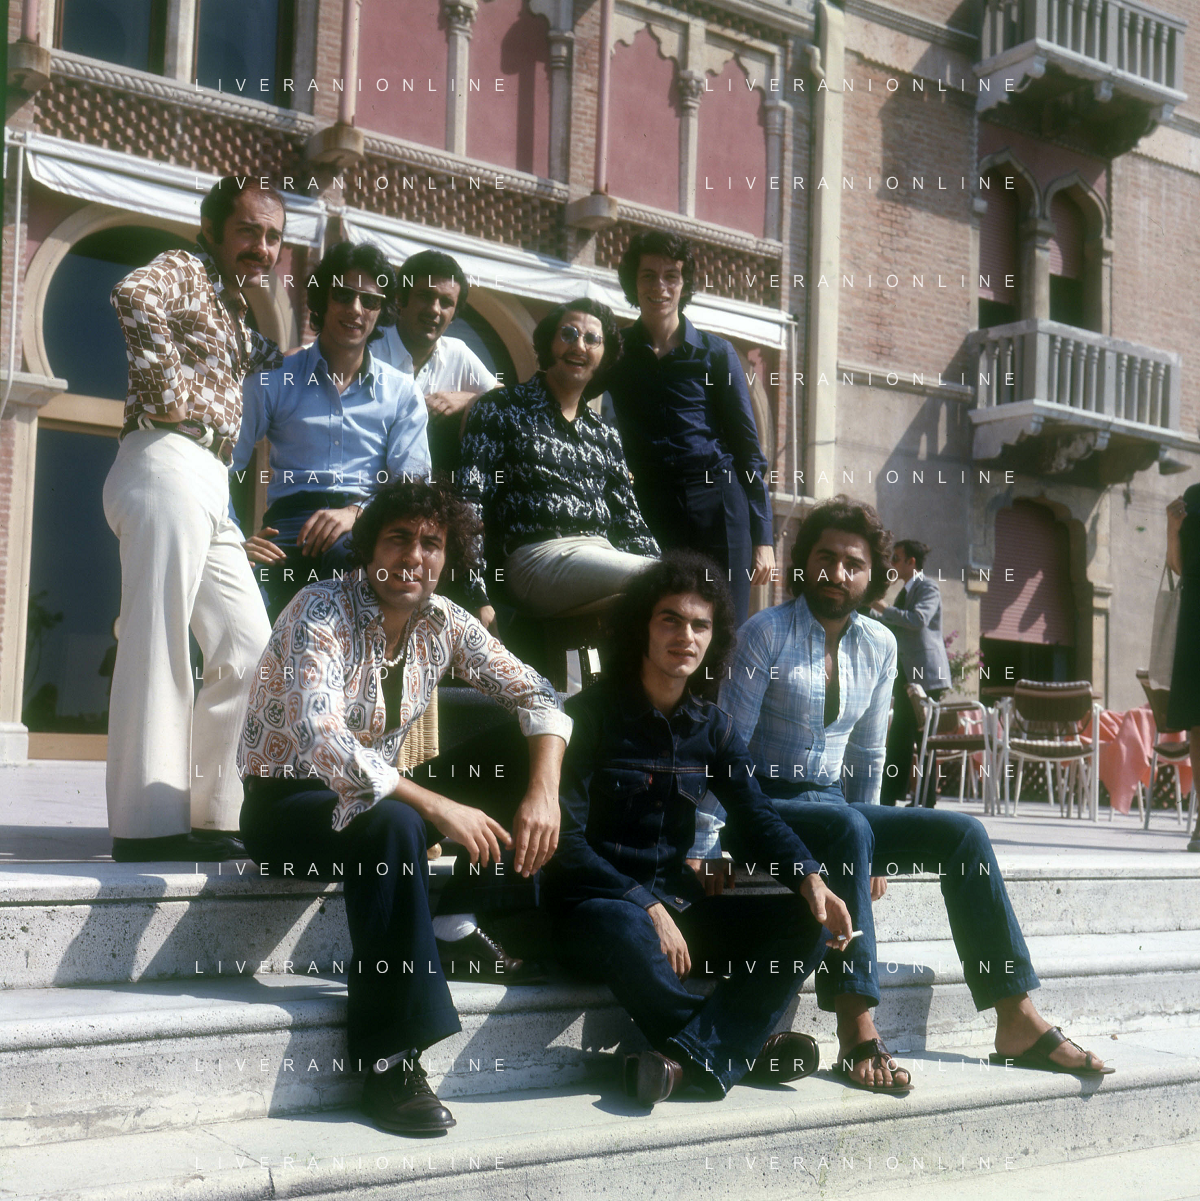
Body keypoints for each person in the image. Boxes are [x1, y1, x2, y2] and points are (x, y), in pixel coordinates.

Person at [689, 496, 1114, 1092]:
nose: (837, 573)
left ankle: (1016, 1015)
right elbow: (726, 747)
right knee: (848, 828)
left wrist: (870, 847)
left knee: (962, 833)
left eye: (853, 564)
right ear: (804, 563)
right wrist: (705, 843)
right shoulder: (766, 634)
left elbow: (868, 756)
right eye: (825, 558)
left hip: (831, 808)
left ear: (873, 576)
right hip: (758, 809)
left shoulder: (879, 644)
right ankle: (856, 1024)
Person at [238, 477, 571, 1134]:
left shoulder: (443, 620)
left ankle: (454, 923)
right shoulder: (319, 609)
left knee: (531, 748)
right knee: (393, 819)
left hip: (382, 799)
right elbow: (325, 742)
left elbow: (539, 694)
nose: (414, 556)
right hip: (289, 806)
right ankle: (391, 1061)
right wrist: (438, 808)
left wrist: (544, 793)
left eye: (431, 543)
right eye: (398, 538)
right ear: (369, 548)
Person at [543, 552, 853, 1107]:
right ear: (642, 627)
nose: (685, 636)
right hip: (594, 912)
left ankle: (684, 1062)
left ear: (714, 638)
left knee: (807, 920)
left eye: (700, 625)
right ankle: (738, 1050)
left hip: (678, 907)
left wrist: (811, 879)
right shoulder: (589, 716)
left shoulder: (714, 729)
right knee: (622, 923)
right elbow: (564, 845)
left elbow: (756, 816)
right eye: (671, 620)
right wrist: (644, 904)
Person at [103, 175, 286, 863]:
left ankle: (215, 814)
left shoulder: (235, 311)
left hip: (210, 480)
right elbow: (133, 293)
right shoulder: (185, 267)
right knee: (158, 637)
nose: (262, 246)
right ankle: (146, 826)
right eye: (248, 230)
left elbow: (285, 365)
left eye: (273, 236)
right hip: (165, 456)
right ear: (213, 230)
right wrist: (166, 394)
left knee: (249, 645)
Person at [232, 241, 430, 620]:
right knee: (235, 599)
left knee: (348, 574)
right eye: (343, 294)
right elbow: (225, 463)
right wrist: (232, 537)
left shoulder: (402, 391)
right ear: (322, 298)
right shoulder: (276, 377)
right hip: (286, 530)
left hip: (367, 529)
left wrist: (357, 513)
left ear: (380, 312)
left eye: (369, 301)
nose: (355, 309)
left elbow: (412, 487)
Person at [459, 297, 659, 628]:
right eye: (568, 334)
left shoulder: (604, 433)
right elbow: (469, 502)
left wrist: (673, 579)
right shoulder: (502, 408)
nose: (579, 346)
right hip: (534, 560)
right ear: (549, 343)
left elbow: (629, 520)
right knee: (669, 579)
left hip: (601, 554)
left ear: (604, 355)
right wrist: (476, 595)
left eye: (592, 339)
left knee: (683, 587)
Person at [606, 231, 774, 625]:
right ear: (633, 282)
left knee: (722, 628)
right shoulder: (616, 353)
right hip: (651, 507)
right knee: (659, 624)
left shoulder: (716, 354)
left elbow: (748, 451)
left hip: (719, 506)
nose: (659, 287)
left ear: (684, 285)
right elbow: (568, 391)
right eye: (648, 275)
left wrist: (763, 537)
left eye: (671, 276)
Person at [373, 249, 499, 472]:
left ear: (454, 315)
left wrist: (468, 399)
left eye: (446, 302)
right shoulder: (371, 347)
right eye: (425, 296)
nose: (434, 310)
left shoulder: (457, 352)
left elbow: (506, 397)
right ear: (400, 298)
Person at [869, 538, 952, 805]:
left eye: (895, 558)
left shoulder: (928, 587)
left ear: (911, 561)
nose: (892, 564)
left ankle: (926, 801)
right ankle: (889, 798)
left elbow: (918, 620)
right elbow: (896, 625)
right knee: (899, 737)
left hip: (926, 676)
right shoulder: (904, 592)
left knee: (924, 737)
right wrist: (869, 611)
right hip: (906, 673)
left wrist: (882, 607)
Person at [1166, 488, 1200, 853]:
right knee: (1198, 723)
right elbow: (1179, 567)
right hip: (1195, 615)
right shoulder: (1193, 497)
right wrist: (1172, 528)